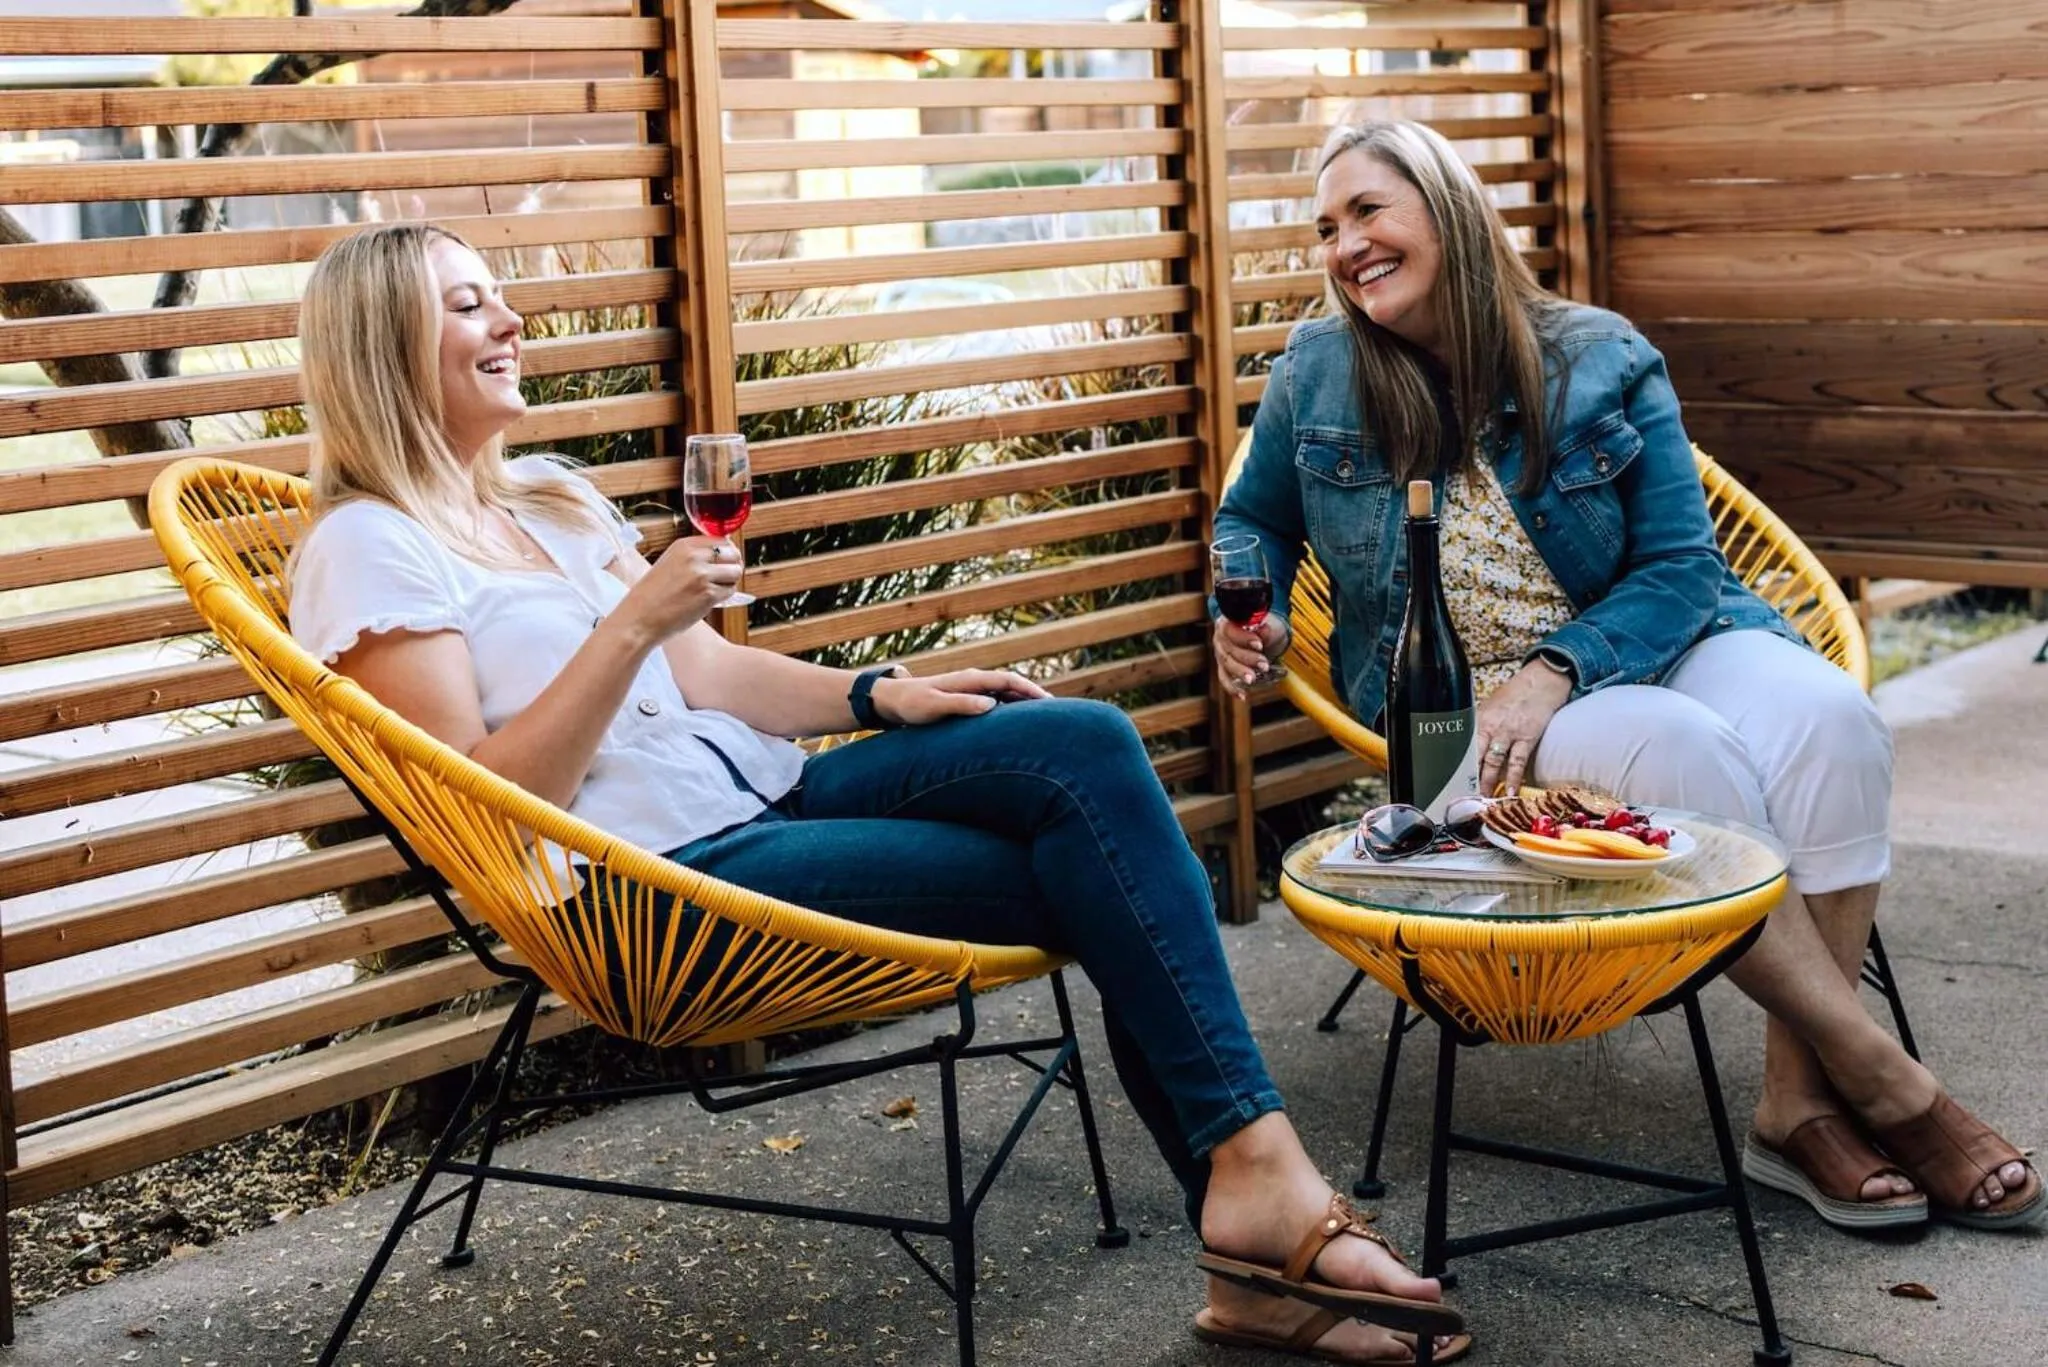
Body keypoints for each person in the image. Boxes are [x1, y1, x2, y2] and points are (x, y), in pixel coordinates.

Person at [284, 222, 1471, 1366]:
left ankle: (1254, 1205)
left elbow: (709, 674)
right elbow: (478, 802)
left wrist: (880, 693)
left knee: (1081, 746)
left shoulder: (546, 495)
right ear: (386, 346)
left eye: (497, 294)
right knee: (1110, 880)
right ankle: (1260, 1228)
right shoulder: (367, 545)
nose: (511, 318)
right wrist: (636, 615)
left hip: (763, 801)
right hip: (645, 886)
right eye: (467, 302)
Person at [1214, 118, 2042, 1235]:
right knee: (1679, 746)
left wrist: (1562, 664)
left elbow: (1678, 566)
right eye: (1324, 228)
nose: (1343, 244)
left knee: (1826, 715)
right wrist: (1249, 609)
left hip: (1635, 641)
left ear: (1449, 211)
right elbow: (1250, 521)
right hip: (1467, 716)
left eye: (1367, 211)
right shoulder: (1319, 370)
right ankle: (1883, 1079)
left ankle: (1793, 1103)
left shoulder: (1596, 353)